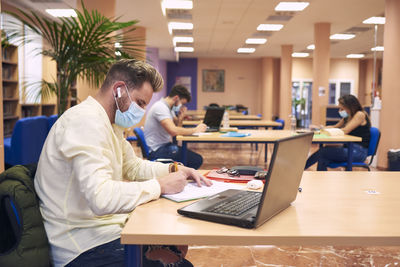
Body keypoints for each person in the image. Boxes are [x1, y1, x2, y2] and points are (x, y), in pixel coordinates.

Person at [34, 59, 212, 267]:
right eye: (140, 103)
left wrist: (174, 169)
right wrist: (160, 186)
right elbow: (100, 198)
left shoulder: (109, 123)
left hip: (100, 230)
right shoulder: (85, 122)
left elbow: (133, 167)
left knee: (175, 249)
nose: (142, 111)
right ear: (118, 90)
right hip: (80, 246)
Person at [144, 85, 207, 169]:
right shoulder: (160, 107)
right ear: (176, 98)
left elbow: (176, 125)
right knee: (196, 160)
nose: (182, 106)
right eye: (182, 104)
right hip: (157, 150)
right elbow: (173, 131)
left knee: (187, 155)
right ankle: (180, 176)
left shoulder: (168, 108)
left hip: (164, 145)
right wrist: (196, 130)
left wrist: (181, 117)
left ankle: (179, 173)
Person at [305, 94, 371, 171]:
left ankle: (301, 169)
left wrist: (327, 131)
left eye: (342, 108)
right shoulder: (348, 116)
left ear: (349, 106)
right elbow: (334, 127)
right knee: (324, 157)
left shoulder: (360, 114)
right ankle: (319, 179)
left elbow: (345, 131)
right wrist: (319, 128)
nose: (340, 111)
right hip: (349, 148)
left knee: (323, 152)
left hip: (358, 152)